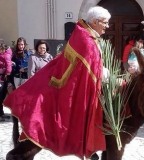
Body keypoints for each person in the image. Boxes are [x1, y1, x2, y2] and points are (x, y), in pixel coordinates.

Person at [4, 6, 111, 159]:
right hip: (72, 92)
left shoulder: (86, 36)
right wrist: (108, 76)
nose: (107, 26)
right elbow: (91, 72)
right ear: (95, 22)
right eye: (105, 23)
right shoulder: (87, 41)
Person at [0, 43, 12, 122]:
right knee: (1, 96)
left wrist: (7, 73)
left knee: (1, 96)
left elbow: (8, 65)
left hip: (3, 78)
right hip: (3, 78)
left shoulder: (5, 55)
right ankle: (1, 113)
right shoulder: (7, 54)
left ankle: (1, 113)